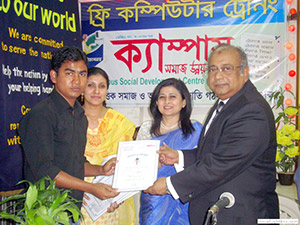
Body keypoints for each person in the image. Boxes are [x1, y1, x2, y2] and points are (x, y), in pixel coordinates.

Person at [145, 44, 279, 225]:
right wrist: (179, 156)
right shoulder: (225, 104)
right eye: (213, 69)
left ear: (245, 72)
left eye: (227, 69)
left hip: (242, 215)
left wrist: (170, 185)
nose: (218, 76)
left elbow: (222, 163)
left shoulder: (251, 110)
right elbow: (214, 152)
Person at [19, 46, 119, 225]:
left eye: (82, 74)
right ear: (54, 76)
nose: (76, 81)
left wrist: (100, 169)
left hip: (70, 211)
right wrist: (91, 187)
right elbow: (45, 171)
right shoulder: (41, 115)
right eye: (69, 73)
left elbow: (74, 162)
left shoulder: (79, 115)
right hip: (44, 213)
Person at [136, 78, 202, 225]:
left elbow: (202, 167)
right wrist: (154, 166)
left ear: (183, 102)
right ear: (156, 102)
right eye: (162, 97)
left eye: (172, 97)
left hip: (184, 201)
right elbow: (136, 166)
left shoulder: (196, 131)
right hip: (153, 201)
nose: (167, 102)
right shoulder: (147, 129)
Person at [79, 67, 136, 225]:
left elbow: (126, 165)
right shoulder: (70, 118)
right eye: (91, 85)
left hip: (107, 197)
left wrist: (118, 196)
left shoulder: (119, 122)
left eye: (102, 86)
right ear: (82, 88)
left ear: (107, 90)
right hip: (76, 194)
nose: (96, 91)